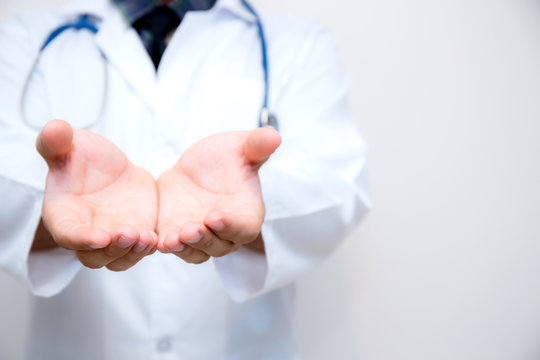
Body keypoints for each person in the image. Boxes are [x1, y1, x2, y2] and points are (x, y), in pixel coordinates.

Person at [0, 0, 370, 358]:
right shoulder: (24, 37)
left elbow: (339, 187)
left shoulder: (296, 44)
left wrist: (257, 199)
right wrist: (53, 211)